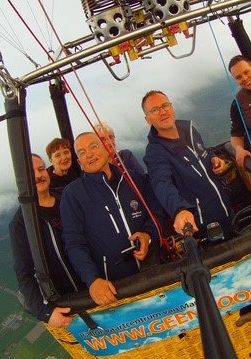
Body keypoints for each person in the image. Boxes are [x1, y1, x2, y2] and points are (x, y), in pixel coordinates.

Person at [60, 132, 161, 306]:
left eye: (93, 146)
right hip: (115, 287)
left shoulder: (134, 179)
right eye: (82, 153)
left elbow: (156, 213)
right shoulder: (72, 195)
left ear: (107, 149)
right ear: (79, 162)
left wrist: (148, 235)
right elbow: (74, 244)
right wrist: (92, 280)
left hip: (155, 271)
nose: (89, 154)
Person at [142, 90, 234, 238]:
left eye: (165, 106)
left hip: (227, 211)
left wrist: (212, 158)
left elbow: (202, 150)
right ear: (148, 119)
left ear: (172, 107)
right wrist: (179, 210)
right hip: (203, 228)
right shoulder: (155, 154)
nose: (163, 112)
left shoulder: (189, 130)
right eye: (155, 110)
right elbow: (162, 184)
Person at [9, 154, 85, 328]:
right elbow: (24, 272)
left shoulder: (66, 196)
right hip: (72, 299)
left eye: (41, 169)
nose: (38, 175)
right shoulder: (22, 223)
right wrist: (45, 312)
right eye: (31, 173)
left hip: (100, 284)